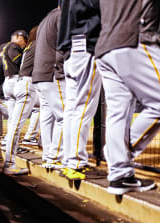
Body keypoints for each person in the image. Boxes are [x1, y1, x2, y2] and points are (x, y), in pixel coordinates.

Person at [95, 0, 160, 194]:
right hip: (134, 40)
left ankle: (120, 177)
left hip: (104, 48)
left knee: (118, 113)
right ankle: (119, 154)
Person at [57, 0, 102, 181]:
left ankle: (69, 159)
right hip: (85, 49)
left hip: (70, 53)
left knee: (72, 110)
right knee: (83, 109)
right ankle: (75, 162)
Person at [33, 6, 66, 169]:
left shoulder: (45, 19)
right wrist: (60, 68)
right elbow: (63, 46)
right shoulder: (61, 15)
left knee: (47, 118)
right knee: (65, 117)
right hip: (51, 73)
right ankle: (55, 156)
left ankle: (48, 155)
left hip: (39, 75)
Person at [3, 27, 38, 175]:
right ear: (18, 37)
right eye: (23, 39)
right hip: (18, 82)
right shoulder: (12, 46)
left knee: (14, 122)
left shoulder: (22, 48)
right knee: (14, 124)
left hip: (15, 83)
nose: (24, 43)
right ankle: (9, 163)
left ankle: (49, 150)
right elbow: (17, 61)